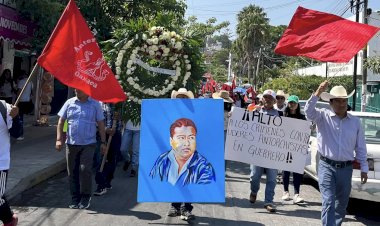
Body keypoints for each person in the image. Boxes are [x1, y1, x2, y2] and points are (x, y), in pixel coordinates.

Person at [305, 81, 368, 226]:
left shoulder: (355, 122)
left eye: (344, 101)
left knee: (341, 204)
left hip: (346, 168)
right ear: (331, 103)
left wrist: (364, 168)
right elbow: (308, 112)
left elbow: (360, 147)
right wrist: (318, 92)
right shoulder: (322, 116)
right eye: (338, 101)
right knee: (328, 201)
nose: (342, 104)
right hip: (327, 165)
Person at [151, 88, 214, 221]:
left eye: (185, 98)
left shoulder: (195, 111)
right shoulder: (170, 112)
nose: (182, 100)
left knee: (190, 177)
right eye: (180, 97)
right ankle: (175, 205)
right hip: (174, 152)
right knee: (173, 174)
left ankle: (186, 208)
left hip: (191, 153)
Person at [56, 89, 106, 209]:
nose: (76, 90)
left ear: (86, 90)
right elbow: (61, 121)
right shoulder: (69, 102)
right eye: (75, 88)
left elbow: (100, 124)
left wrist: (103, 142)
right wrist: (59, 139)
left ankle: (85, 197)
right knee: (72, 172)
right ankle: (75, 198)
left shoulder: (95, 104)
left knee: (84, 170)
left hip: (88, 143)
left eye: (79, 89)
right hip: (71, 143)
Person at [249, 89, 281, 213]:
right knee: (254, 176)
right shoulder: (254, 111)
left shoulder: (279, 114)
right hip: (256, 150)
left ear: (274, 101)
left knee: (272, 178)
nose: (267, 99)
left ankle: (268, 201)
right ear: (262, 99)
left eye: (270, 98)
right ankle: (253, 191)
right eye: (265, 97)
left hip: (272, 151)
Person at [281, 95, 306, 204]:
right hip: (285, 147)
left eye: (294, 103)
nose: (292, 105)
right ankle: (285, 191)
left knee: (297, 171)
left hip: (297, 148)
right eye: (290, 103)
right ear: (288, 104)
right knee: (286, 170)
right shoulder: (282, 116)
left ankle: (297, 193)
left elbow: (306, 132)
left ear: (297, 105)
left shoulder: (302, 117)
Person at [93, 103, 122, 196]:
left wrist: (118, 118)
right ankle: (100, 185)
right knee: (100, 159)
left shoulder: (119, 104)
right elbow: (94, 120)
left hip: (115, 134)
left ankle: (108, 180)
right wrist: (105, 129)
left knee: (112, 159)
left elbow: (123, 120)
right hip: (102, 134)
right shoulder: (96, 104)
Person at [0, 100, 18, 226]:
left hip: (0, 163)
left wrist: (15, 118)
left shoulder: (4, 108)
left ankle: (9, 220)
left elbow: (17, 133)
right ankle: (9, 220)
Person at [120, 108, 140, 177]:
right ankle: (127, 159)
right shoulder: (127, 101)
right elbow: (123, 113)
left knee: (136, 151)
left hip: (138, 129)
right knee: (123, 149)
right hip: (128, 128)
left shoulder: (142, 101)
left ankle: (133, 169)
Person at [15, 70, 33, 141]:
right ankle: (20, 133)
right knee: (21, 118)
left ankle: (20, 133)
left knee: (19, 118)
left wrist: (15, 101)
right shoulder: (31, 82)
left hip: (21, 101)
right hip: (27, 101)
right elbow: (32, 93)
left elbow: (19, 92)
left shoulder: (21, 81)